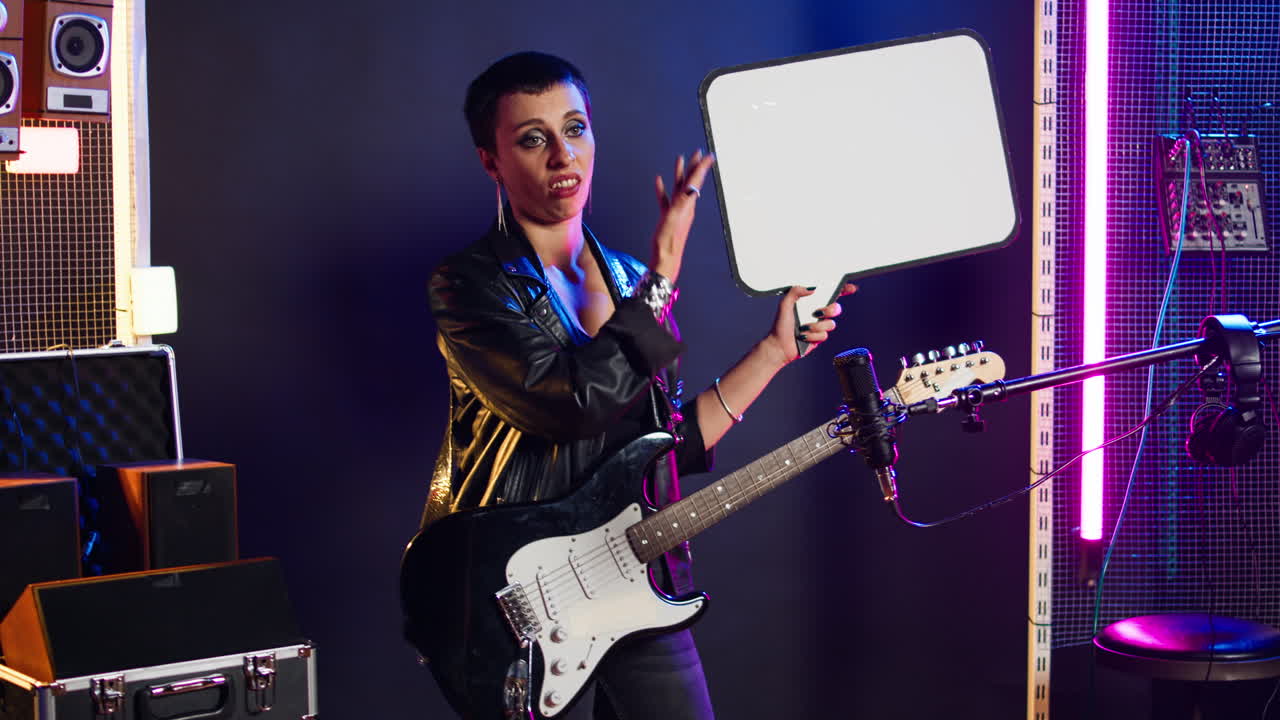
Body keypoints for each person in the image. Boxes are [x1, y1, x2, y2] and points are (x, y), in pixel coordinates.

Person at [419, 51, 855, 720]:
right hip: (521, 601)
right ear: (491, 160)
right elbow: (567, 406)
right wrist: (662, 281)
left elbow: (664, 453)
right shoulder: (469, 286)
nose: (562, 155)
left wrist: (772, 352)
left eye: (575, 129)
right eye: (533, 138)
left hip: (633, 583)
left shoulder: (626, 279)